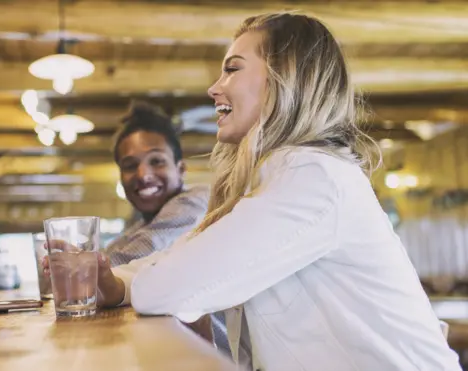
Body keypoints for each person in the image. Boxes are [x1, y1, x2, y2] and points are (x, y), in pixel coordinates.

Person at [77, 13, 461, 371]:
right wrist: (115, 282)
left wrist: (125, 285)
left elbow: (164, 288)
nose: (214, 89)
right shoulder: (277, 177)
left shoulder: (312, 176)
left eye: (232, 69)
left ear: (284, 77)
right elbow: (189, 253)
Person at [103, 101, 234, 352]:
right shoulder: (144, 221)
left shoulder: (195, 202)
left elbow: (137, 254)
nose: (143, 174)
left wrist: (82, 272)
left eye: (157, 161)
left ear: (180, 169)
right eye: (130, 166)